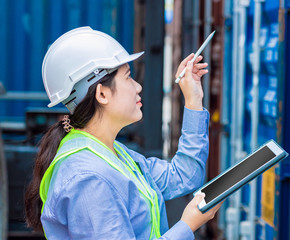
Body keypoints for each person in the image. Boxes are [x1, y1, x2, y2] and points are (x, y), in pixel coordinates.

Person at [24, 26, 222, 240]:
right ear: (102, 94)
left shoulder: (112, 153)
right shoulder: (89, 178)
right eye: (128, 77)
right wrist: (187, 225)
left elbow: (184, 176)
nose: (138, 87)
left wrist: (193, 100)